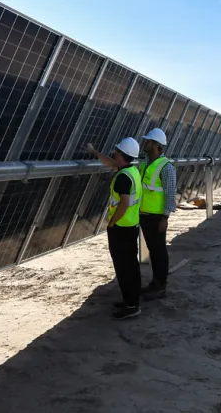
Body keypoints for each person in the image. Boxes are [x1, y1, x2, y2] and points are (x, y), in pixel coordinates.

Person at [87, 137, 143, 320]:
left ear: (121, 154)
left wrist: (112, 223)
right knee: (131, 266)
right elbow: (111, 163)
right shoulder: (132, 171)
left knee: (123, 268)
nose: (114, 153)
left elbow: (124, 203)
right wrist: (95, 152)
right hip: (131, 226)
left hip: (121, 228)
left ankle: (131, 306)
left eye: (116, 151)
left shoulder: (122, 178)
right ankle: (131, 300)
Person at [137, 128, 177, 299]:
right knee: (153, 250)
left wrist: (165, 218)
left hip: (157, 217)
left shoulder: (166, 167)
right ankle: (155, 283)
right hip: (144, 214)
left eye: (147, 141)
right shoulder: (144, 163)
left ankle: (161, 286)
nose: (144, 143)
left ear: (155, 145)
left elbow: (170, 193)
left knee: (159, 251)